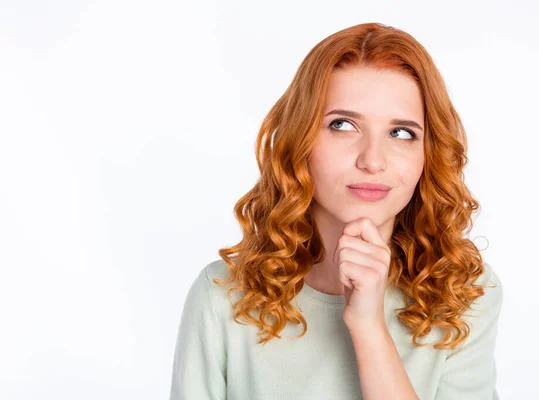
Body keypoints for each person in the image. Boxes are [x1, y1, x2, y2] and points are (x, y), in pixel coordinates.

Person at [169, 22, 503, 400]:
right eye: (342, 125)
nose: (373, 160)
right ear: (301, 139)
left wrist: (369, 328)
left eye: (401, 133)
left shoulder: (465, 295)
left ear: (428, 154)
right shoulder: (222, 297)